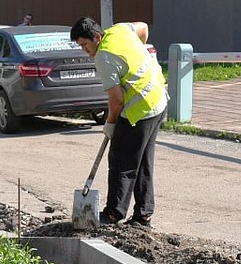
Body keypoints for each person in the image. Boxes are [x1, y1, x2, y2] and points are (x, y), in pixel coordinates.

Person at [70, 17, 168, 227]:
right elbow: (143, 28)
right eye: (80, 46)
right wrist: (136, 55)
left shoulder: (103, 57)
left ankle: (114, 213)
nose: (84, 50)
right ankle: (143, 215)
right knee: (142, 161)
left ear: (97, 37)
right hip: (158, 99)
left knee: (121, 161)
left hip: (140, 109)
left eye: (85, 45)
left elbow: (116, 100)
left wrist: (111, 123)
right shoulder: (120, 30)